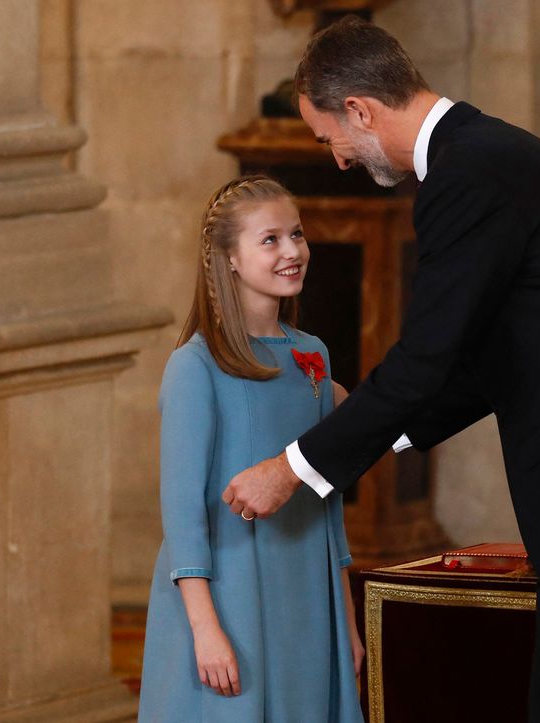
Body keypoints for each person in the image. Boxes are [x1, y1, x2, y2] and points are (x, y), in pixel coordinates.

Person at [222, 17, 540, 723]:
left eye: (327, 137)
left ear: (362, 111)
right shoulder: (484, 156)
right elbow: (484, 359)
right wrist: (365, 419)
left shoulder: (468, 175)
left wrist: (294, 467)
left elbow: (429, 356)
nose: (336, 158)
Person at [138, 176, 364, 723]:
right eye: (270, 240)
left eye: (297, 234)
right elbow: (183, 514)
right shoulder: (195, 366)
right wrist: (206, 629)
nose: (293, 251)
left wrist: (348, 622)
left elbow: (325, 498)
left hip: (307, 591)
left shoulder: (313, 355)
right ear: (230, 259)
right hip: (227, 596)